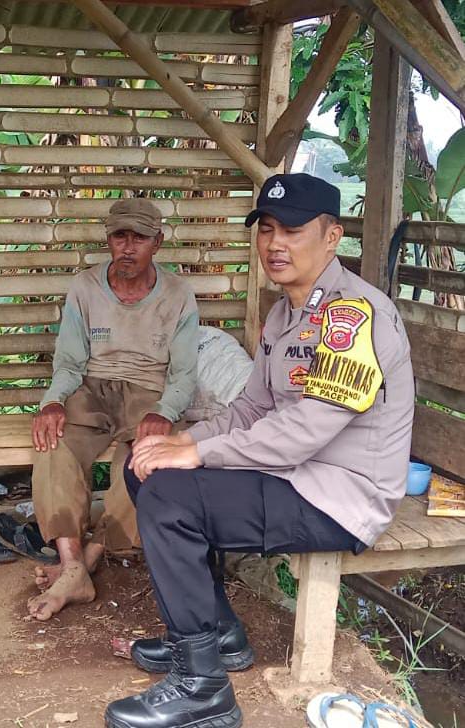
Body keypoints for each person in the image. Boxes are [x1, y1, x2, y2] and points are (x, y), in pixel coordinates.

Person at [105, 173, 414, 728]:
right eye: (266, 229)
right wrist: (182, 440)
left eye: (292, 230)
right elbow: (251, 409)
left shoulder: (353, 316)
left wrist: (200, 456)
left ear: (332, 237)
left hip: (339, 494)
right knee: (144, 466)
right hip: (294, 475)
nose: (275, 243)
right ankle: (218, 636)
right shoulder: (284, 313)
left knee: (171, 499)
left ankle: (203, 689)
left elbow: (305, 431)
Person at [26, 198, 198, 622]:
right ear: (108, 240)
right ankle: (72, 562)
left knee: (145, 460)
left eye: (139, 238)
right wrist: (52, 401)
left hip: (149, 394)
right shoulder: (85, 287)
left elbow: (183, 375)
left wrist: (164, 410)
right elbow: (69, 363)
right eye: (120, 236)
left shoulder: (178, 294)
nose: (128, 247)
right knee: (53, 443)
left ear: (157, 243)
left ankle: (92, 555)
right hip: (91, 389)